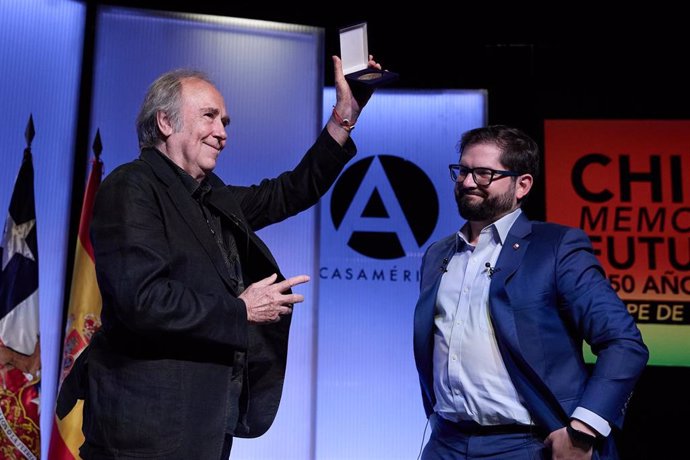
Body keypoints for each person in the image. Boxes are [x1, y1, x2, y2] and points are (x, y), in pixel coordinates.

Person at [57, 56, 381, 459]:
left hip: (203, 425)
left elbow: (290, 191)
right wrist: (240, 310)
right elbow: (142, 301)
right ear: (165, 122)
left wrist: (344, 117)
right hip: (145, 432)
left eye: (224, 122)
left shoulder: (210, 196)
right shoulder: (132, 188)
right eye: (209, 117)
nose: (221, 133)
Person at [413, 125, 648, 459]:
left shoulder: (556, 248)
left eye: (484, 174)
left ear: (522, 184)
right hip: (446, 443)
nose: (467, 183)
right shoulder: (438, 254)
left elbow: (623, 343)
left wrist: (583, 429)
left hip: (528, 444)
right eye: (463, 171)